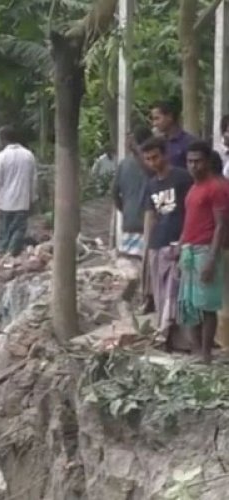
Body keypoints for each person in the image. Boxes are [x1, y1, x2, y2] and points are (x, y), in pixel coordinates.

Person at [178, 141, 229, 363]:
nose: (193, 166)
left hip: (206, 250)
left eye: (198, 161)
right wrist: (180, 244)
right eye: (190, 161)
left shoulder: (216, 187)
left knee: (207, 305)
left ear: (207, 161)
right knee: (189, 305)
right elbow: (190, 221)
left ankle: (206, 353)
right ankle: (198, 352)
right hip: (189, 251)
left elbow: (221, 225)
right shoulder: (193, 188)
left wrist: (211, 259)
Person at [141, 136, 193, 348]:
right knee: (161, 293)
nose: (152, 163)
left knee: (174, 290)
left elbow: (191, 211)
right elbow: (150, 215)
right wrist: (147, 245)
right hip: (157, 243)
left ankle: (164, 334)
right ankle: (166, 335)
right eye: (148, 159)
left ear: (165, 155)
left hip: (177, 242)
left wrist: (184, 239)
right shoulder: (151, 184)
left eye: (155, 157)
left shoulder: (182, 178)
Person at [0, 125, 37, 257]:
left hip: (4, 203)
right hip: (22, 202)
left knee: (4, 231)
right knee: (18, 230)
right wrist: (33, 198)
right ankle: (12, 254)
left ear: (3, 139)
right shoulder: (28, 155)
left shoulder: (2, 156)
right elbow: (33, 180)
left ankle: (3, 254)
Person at [113, 127, 152, 257]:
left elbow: (114, 193)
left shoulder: (123, 164)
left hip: (129, 223)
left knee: (130, 270)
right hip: (149, 225)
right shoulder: (155, 165)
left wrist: (125, 209)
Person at [150, 100, 196, 169]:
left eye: (157, 118)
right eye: (153, 119)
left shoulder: (190, 142)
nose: (154, 124)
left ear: (169, 117)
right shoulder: (158, 143)